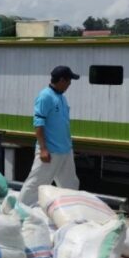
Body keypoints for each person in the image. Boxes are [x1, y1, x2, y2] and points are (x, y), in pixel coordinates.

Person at [18, 66, 81, 206]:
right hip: (50, 151)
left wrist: (69, 146)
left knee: (70, 184)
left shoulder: (62, 98)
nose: (70, 84)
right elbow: (38, 124)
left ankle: (69, 210)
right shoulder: (45, 96)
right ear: (62, 80)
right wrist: (43, 149)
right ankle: (19, 210)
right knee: (36, 183)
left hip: (65, 150)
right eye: (69, 80)